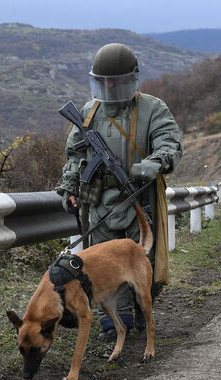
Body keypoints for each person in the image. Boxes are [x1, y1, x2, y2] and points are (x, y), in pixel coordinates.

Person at [56, 43, 183, 340]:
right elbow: (75, 156)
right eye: (105, 81)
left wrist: (155, 162)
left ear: (131, 79)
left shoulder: (154, 108)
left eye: (116, 81)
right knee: (103, 264)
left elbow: (170, 143)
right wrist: (70, 187)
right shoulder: (88, 112)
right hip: (100, 201)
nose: (110, 86)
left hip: (141, 198)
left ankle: (142, 306)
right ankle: (115, 321)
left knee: (144, 261)